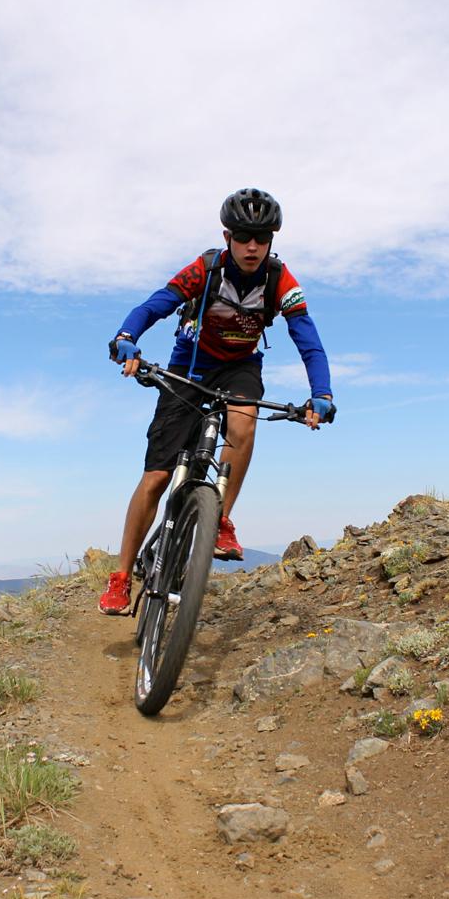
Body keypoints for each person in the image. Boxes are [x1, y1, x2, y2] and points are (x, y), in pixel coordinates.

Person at [99, 188, 335, 616]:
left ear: (271, 241)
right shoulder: (206, 268)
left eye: (261, 238)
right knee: (156, 477)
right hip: (188, 366)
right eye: (243, 236)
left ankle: (220, 516)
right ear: (227, 235)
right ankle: (120, 576)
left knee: (244, 425)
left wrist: (322, 393)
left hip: (241, 367)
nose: (252, 246)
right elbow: (157, 304)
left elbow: (309, 342)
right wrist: (126, 338)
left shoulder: (279, 280)